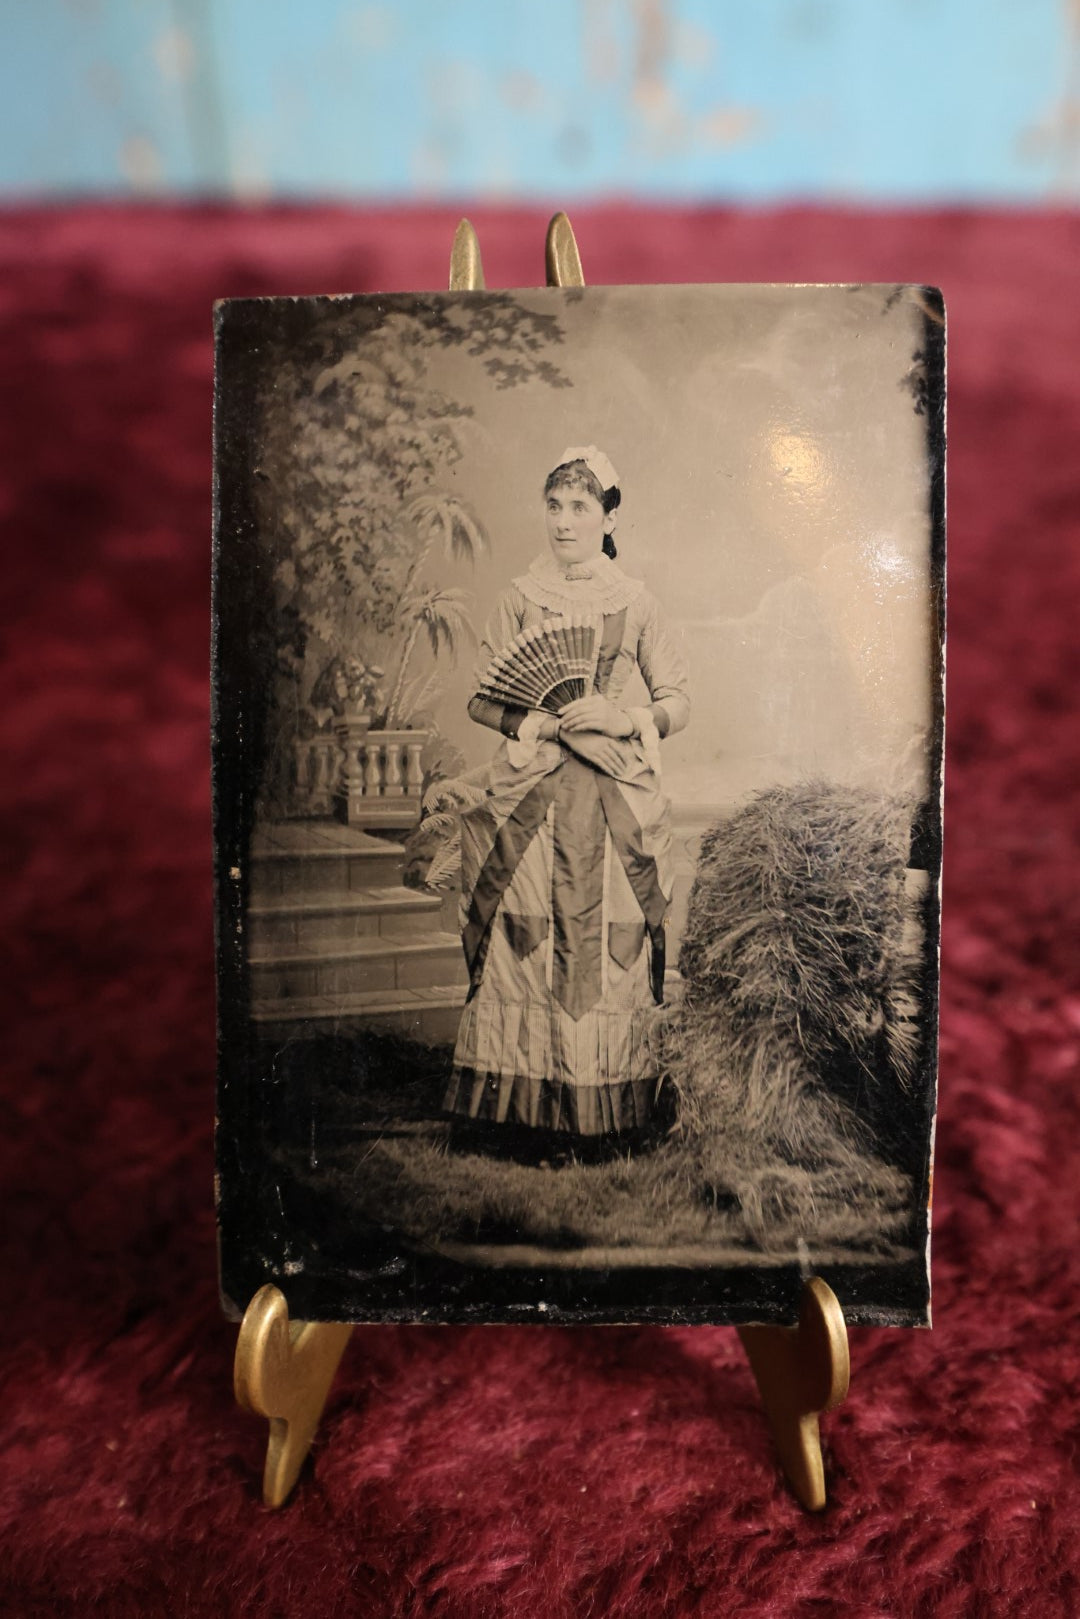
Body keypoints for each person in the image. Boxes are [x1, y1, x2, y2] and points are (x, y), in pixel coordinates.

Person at [442, 446, 691, 1139]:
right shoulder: (520, 596)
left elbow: (678, 701)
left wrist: (623, 717)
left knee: (610, 939)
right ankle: (520, 1114)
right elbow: (482, 699)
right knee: (522, 935)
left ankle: (610, 1107)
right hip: (532, 797)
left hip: (614, 797)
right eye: (554, 505)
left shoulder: (636, 602)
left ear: (610, 514)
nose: (563, 521)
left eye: (580, 507)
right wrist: (544, 721)